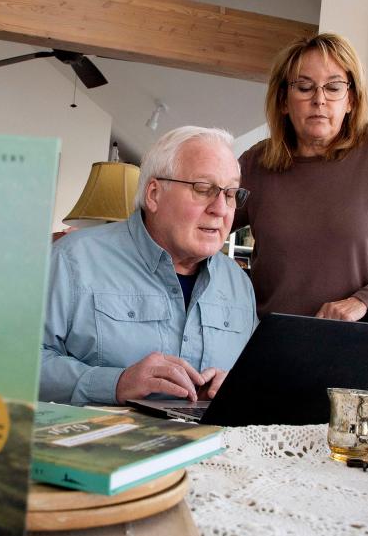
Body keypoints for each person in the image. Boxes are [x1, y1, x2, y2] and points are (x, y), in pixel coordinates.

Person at [236, 33, 368, 379]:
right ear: (284, 100)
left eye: (333, 87)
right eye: (304, 87)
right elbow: (202, 229)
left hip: (362, 353)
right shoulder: (256, 163)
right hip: (275, 353)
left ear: (351, 100)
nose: (319, 100)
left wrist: (363, 303)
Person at [40, 126, 257, 405]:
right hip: (102, 447)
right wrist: (115, 383)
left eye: (230, 194)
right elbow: (15, 363)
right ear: (154, 194)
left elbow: (253, 375)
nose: (221, 208)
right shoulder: (71, 260)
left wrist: (236, 385)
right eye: (204, 189)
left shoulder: (238, 284)